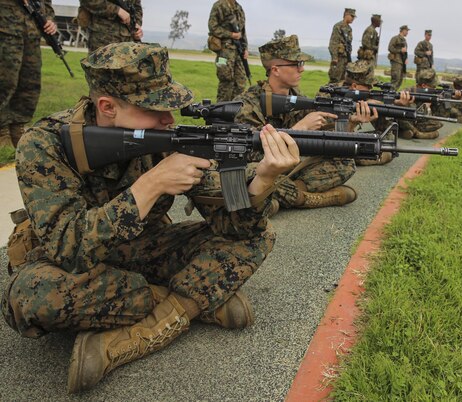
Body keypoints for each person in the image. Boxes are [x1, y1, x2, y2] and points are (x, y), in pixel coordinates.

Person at [1, 42, 300, 393]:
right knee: (30, 297)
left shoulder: (168, 138)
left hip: (146, 249)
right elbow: (69, 247)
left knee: (258, 237)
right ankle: (191, 298)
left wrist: (263, 179)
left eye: (170, 108)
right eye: (155, 110)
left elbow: (233, 227)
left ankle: (140, 330)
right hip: (76, 265)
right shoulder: (44, 144)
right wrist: (151, 185)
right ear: (107, 107)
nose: (169, 120)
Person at [236, 35, 374, 211]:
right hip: (263, 168)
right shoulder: (247, 104)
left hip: (291, 165)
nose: (302, 69)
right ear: (276, 69)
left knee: (344, 161)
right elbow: (247, 154)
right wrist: (299, 128)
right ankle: (307, 199)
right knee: (244, 176)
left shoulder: (298, 98)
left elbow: (322, 140)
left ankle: (283, 196)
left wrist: (351, 124)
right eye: (296, 64)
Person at [0, 0, 57, 148]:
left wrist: (49, 19)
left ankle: (17, 126)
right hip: (5, 28)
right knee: (5, 81)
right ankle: (2, 130)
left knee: (30, 83)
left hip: (31, 32)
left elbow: (46, 3)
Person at [208, 0, 249, 102]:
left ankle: (235, 109)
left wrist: (245, 48)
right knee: (226, 80)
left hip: (238, 51)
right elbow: (213, 27)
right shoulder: (219, 5)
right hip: (224, 51)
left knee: (241, 81)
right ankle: (221, 110)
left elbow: (242, 31)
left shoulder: (239, 7)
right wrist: (230, 34)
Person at [78, 0, 143, 53]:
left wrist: (136, 25)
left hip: (128, 38)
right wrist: (117, 10)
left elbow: (137, 8)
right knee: (101, 67)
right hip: (103, 38)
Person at [327, 8, 355, 83]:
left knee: (344, 80)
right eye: (352, 16)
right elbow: (333, 43)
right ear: (346, 15)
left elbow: (349, 44)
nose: (353, 18)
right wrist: (335, 57)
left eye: (354, 17)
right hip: (339, 58)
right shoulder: (338, 26)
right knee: (335, 79)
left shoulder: (349, 29)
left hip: (346, 58)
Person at [388, 25, 409, 90]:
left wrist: (406, 59)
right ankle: (390, 94)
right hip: (396, 61)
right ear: (403, 30)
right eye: (407, 31)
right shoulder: (395, 38)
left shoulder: (404, 40)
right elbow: (390, 48)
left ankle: (393, 93)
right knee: (395, 79)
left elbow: (404, 51)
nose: (407, 32)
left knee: (400, 80)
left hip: (402, 62)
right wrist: (400, 50)